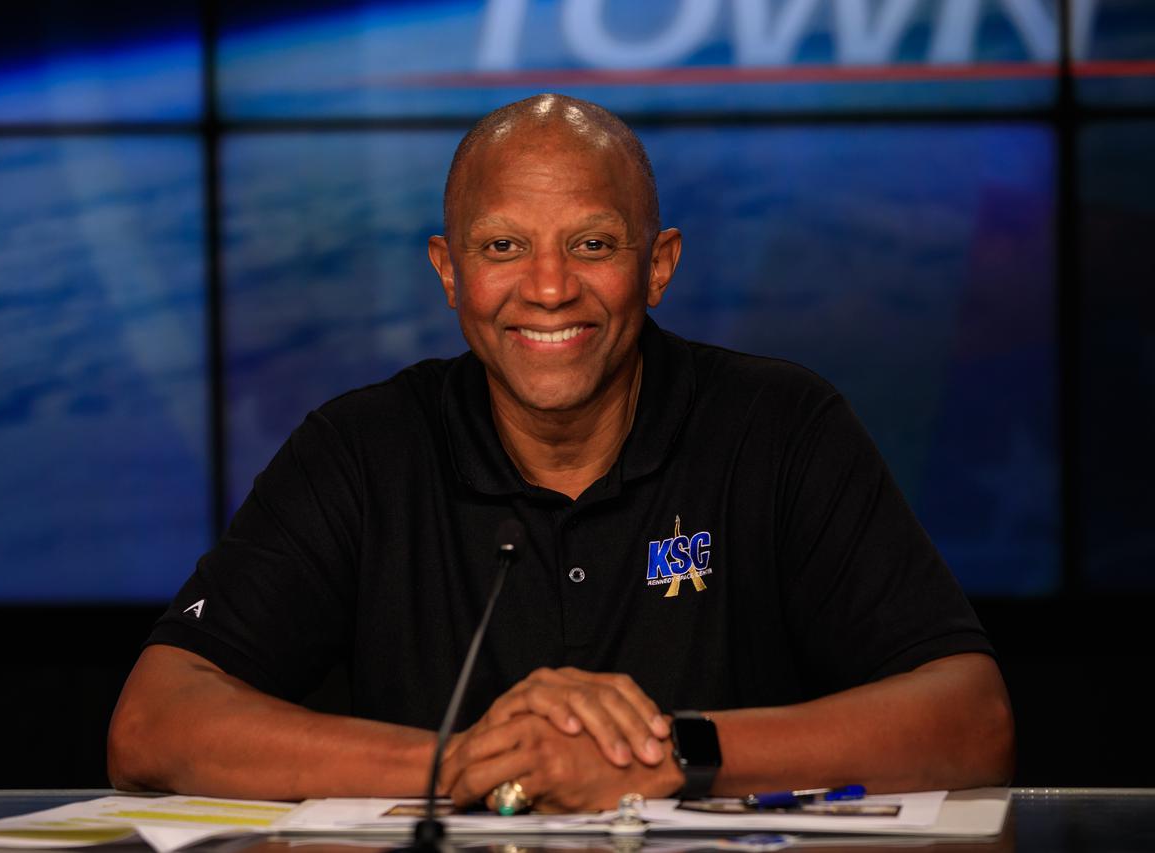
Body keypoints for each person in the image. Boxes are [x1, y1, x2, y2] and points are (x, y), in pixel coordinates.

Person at [108, 94, 1014, 812]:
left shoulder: (779, 426)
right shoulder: (360, 449)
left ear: (657, 265)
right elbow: (155, 723)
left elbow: (972, 721)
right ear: (448, 272)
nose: (547, 288)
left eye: (592, 243)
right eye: (504, 246)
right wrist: (462, 760)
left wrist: (668, 754)